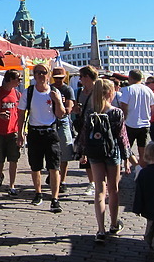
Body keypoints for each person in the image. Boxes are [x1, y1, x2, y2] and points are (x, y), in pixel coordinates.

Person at [76, 79, 130, 244]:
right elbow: (122, 137)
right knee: (113, 190)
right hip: (112, 154)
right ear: (110, 93)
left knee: (100, 191)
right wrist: (127, 157)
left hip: (95, 154)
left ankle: (100, 229)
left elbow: (84, 136)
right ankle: (113, 224)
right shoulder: (116, 113)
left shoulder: (91, 113)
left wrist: (82, 153)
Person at [17, 63, 67, 212]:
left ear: (48, 74)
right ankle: (38, 193)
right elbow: (21, 114)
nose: (40, 75)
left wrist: (57, 100)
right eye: (37, 72)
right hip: (34, 132)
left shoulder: (54, 91)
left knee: (54, 167)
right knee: (35, 166)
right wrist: (20, 134)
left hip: (50, 132)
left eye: (43, 72)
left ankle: (54, 198)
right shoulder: (29, 92)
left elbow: (61, 114)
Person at [119, 69, 154, 167]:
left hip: (130, 123)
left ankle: (137, 166)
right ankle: (142, 169)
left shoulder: (128, 89)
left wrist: (123, 120)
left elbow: (124, 106)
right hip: (145, 124)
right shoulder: (147, 89)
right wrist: (148, 115)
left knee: (125, 149)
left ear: (130, 78)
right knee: (143, 151)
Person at [72, 65, 98, 196]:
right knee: (85, 155)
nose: (80, 79)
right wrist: (76, 110)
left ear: (87, 77)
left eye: (81, 76)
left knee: (96, 155)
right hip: (83, 127)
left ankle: (99, 181)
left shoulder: (99, 90)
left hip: (97, 127)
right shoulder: (78, 92)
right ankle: (92, 182)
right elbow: (75, 109)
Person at [51, 67, 76, 194]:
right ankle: (53, 173)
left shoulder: (67, 89)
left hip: (63, 122)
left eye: (60, 78)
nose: (58, 81)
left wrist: (60, 102)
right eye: (56, 78)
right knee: (50, 151)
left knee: (65, 150)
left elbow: (68, 109)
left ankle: (63, 180)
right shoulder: (50, 88)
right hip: (50, 122)